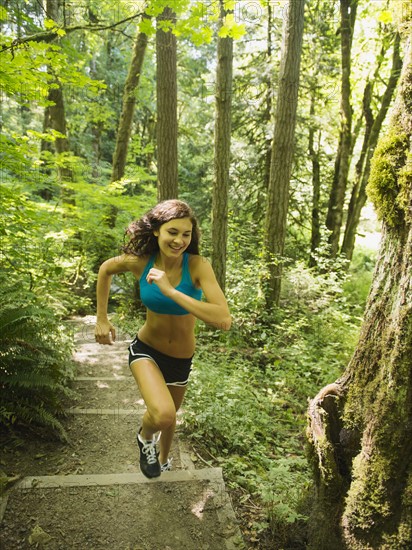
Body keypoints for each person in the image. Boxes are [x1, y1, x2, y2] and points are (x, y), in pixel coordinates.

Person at [95, 200, 231, 479]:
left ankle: (164, 458)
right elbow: (106, 269)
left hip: (181, 358)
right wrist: (101, 318)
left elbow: (223, 320)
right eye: (173, 232)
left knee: (171, 416)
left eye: (186, 234)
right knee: (163, 415)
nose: (179, 240)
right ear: (157, 231)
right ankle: (145, 438)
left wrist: (171, 291)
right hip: (147, 350)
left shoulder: (198, 266)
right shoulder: (140, 263)